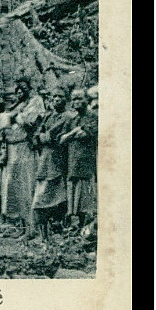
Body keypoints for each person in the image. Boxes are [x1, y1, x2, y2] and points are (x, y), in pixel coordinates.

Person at [0, 78, 45, 238]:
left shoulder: (36, 100)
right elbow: (4, 124)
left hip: (25, 148)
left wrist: (14, 117)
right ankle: (22, 226)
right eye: (17, 90)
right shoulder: (17, 105)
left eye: (23, 89)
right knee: (14, 187)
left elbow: (28, 120)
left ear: (29, 89)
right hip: (13, 149)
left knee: (27, 186)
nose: (19, 92)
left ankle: (32, 228)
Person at [31, 88, 74, 238]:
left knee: (58, 196)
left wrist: (43, 137)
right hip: (44, 160)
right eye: (54, 96)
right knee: (41, 196)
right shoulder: (48, 116)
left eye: (60, 97)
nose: (56, 99)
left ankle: (58, 230)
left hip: (58, 159)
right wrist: (41, 137)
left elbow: (52, 136)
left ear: (66, 100)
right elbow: (36, 136)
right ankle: (44, 236)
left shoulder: (68, 117)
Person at [62, 89, 97, 229]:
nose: (76, 102)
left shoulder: (93, 116)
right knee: (73, 193)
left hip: (86, 163)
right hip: (72, 162)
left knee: (85, 194)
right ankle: (74, 224)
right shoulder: (73, 119)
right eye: (74, 99)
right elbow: (61, 139)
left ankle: (85, 224)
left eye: (79, 99)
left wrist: (71, 134)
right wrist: (75, 132)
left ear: (86, 100)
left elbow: (86, 134)